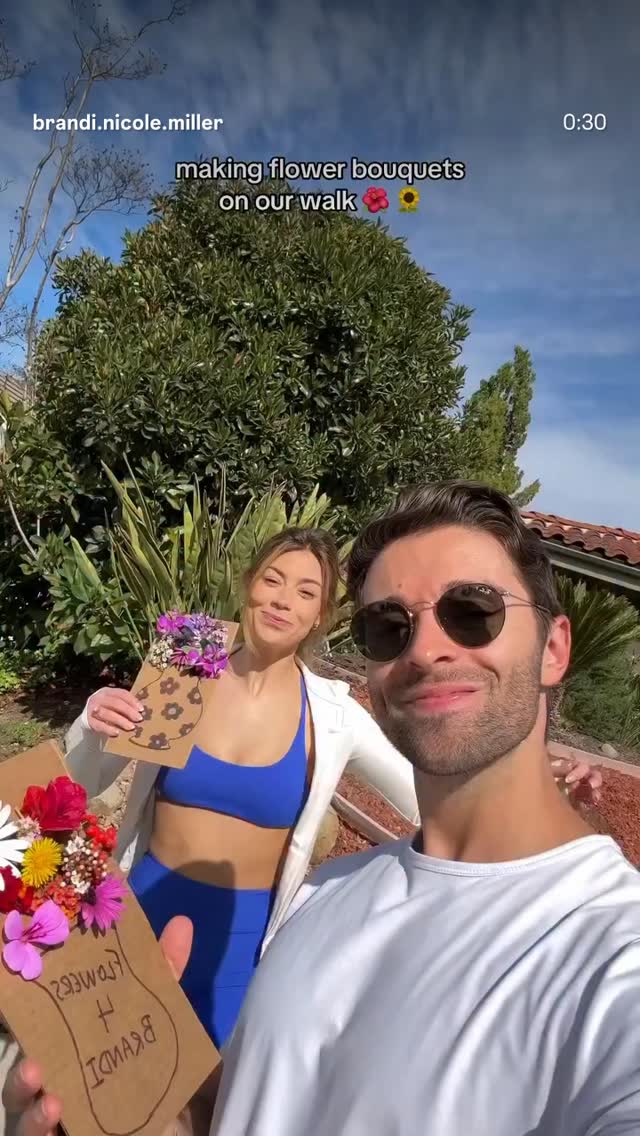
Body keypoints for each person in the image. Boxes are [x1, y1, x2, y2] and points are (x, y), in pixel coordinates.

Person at [6, 484, 615, 1136]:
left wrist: (536, 771)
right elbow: (85, 784)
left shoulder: (331, 712)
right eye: (272, 580)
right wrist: (93, 723)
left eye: (304, 591)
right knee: (82, 1097)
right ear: (249, 585)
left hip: (240, 941)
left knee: (202, 1106)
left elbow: (432, 788)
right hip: (141, 909)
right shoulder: (189, 659)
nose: (282, 600)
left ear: (320, 615)